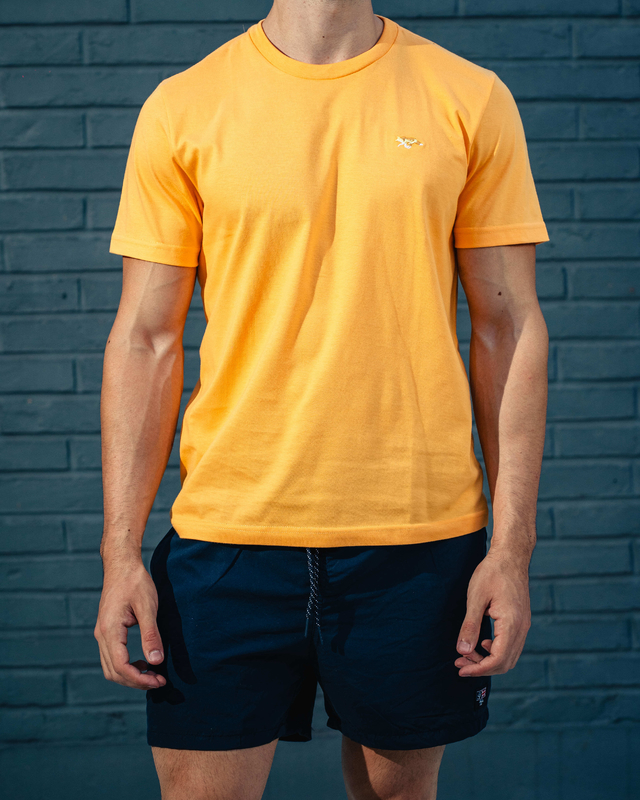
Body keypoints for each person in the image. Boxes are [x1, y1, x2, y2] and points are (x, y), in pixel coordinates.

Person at [95, 0, 549, 798]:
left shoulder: (468, 96)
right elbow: (145, 338)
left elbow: (508, 328)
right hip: (229, 537)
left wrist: (511, 554)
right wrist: (119, 554)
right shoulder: (185, 105)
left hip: (416, 541)